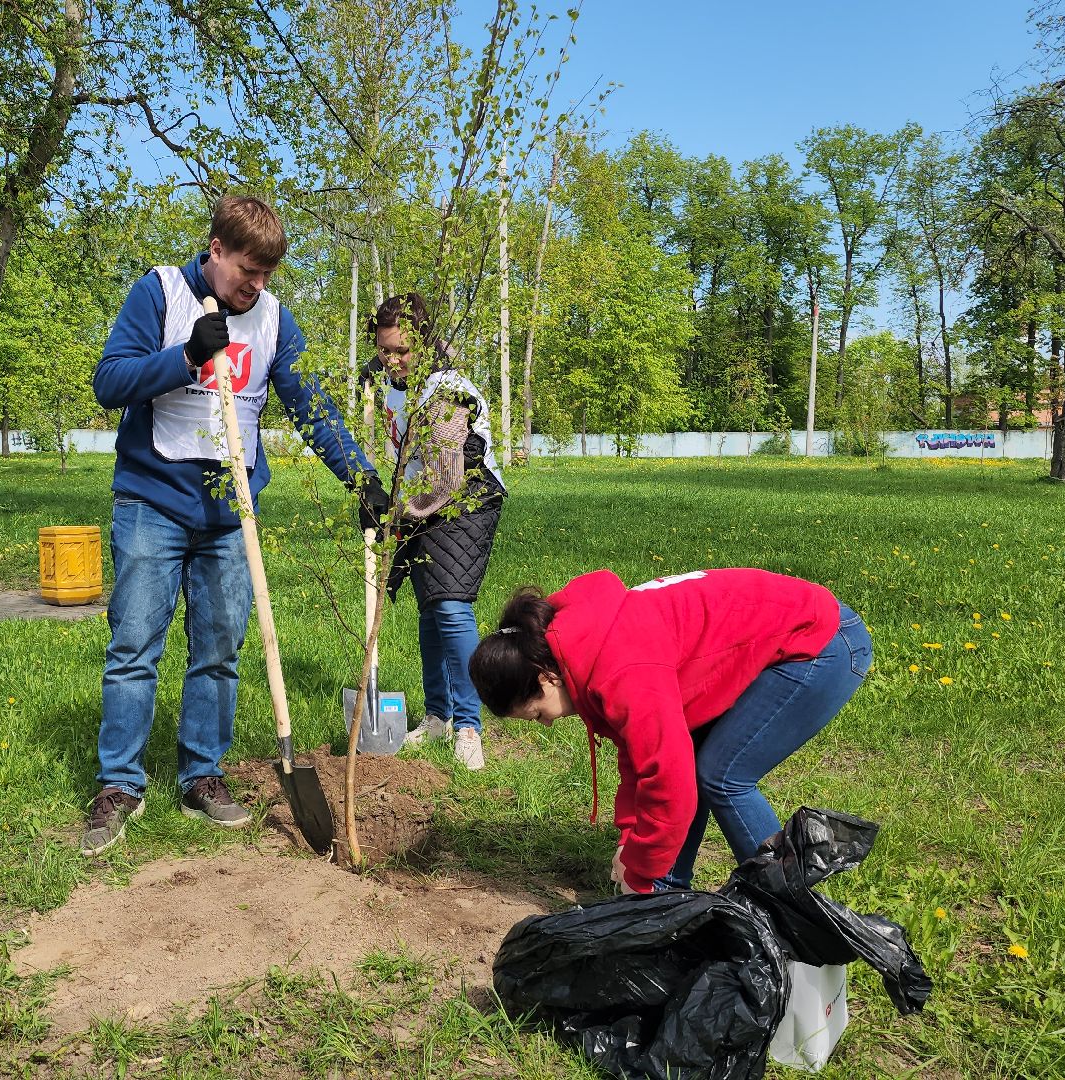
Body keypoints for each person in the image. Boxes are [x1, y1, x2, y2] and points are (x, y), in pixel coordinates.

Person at [81, 194, 388, 857]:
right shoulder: (160, 293)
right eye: (248, 271)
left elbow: (313, 406)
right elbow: (109, 383)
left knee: (219, 651)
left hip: (230, 515)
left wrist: (360, 477)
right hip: (152, 503)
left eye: (267, 275)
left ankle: (201, 776)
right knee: (135, 646)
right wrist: (186, 355)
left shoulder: (274, 320)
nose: (257, 286)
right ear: (215, 250)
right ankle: (119, 786)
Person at [468, 568, 871, 894]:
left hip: (823, 641)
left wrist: (639, 871)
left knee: (721, 774)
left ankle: (793, 911)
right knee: (693, 763)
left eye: (537, 714)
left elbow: (671, 783)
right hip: (788, 635)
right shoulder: (581, 645)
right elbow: (640, 755)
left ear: (545, 678)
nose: (550, 723)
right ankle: (666, 893)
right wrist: (631, 839)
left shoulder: (621, 666)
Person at [367, 293, 506, 770]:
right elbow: (403, 462)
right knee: (429, 610)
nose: (393, 360)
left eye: (403, 351)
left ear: (424, 345)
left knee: (449, 604)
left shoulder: (445, 391)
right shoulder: (390, 388)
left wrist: (398, 515)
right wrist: (380, 502)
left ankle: (469, 726)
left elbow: (445, 479)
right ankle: (437, 717)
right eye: (386, 350)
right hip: (421, 500)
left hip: (466, 496)